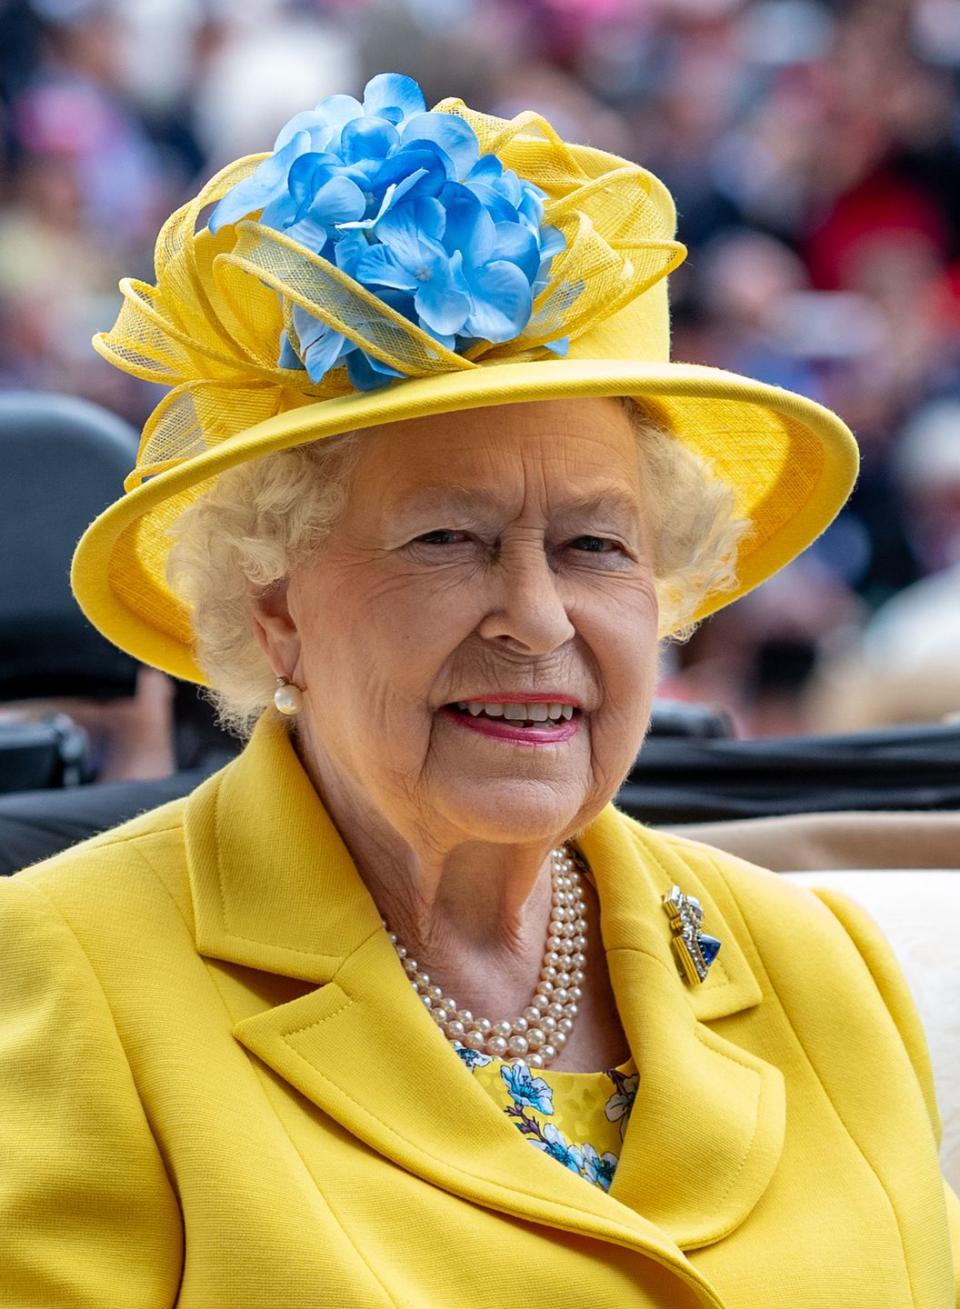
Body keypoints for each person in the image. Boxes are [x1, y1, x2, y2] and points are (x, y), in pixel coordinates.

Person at [1, 74, 956, 1309]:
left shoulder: (823, 969)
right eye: (446, 539)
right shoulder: (67, 977)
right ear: (274, 603)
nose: (539, 618)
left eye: (595, 546)